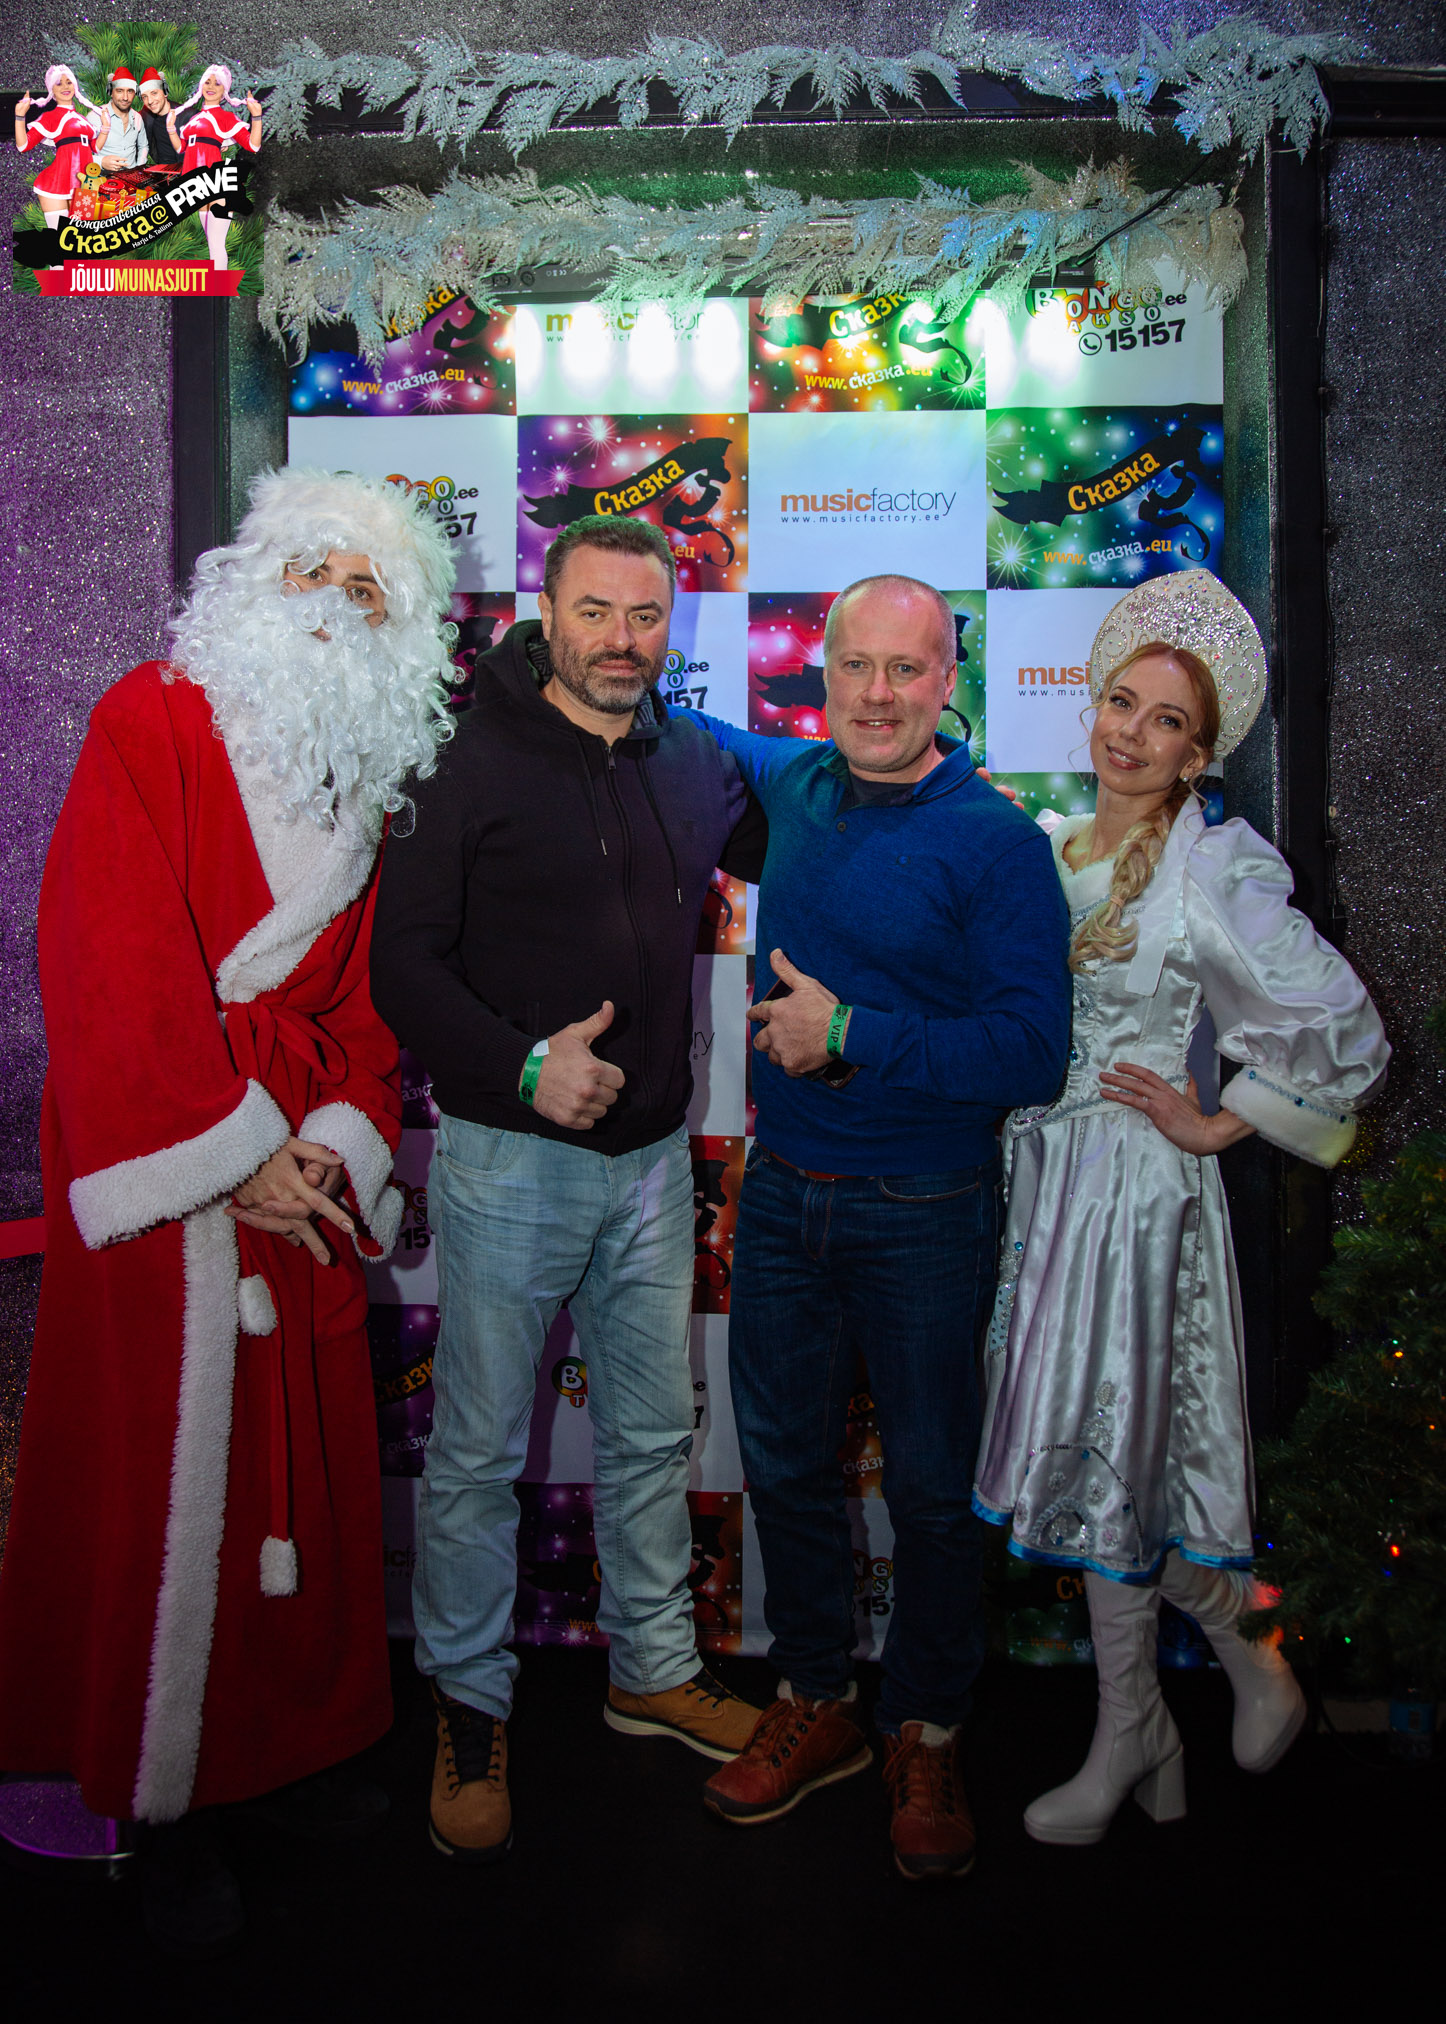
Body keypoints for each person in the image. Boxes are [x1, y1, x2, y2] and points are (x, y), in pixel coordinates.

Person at [0, 467, 458, 1953]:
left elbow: (361, 1006)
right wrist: (229, 1152)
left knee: (290, 1482)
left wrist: (328, 1144)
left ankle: (274, 1753)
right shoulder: (148, 718)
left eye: (370, 589)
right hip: (169, 1170)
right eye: (315, 569)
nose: (336, 604)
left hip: (289, 1173)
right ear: (256, 578)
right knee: (163, 1487)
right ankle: (157, 1798)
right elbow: (107, 955)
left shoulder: (367, 781)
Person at [370, 515, 770, 1866]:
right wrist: (523, 1065)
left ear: (673, 625)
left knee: (651, 1434)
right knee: (477, 1456)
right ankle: (470, 1705)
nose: (620, 639)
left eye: (645, 616)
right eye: (594, 611)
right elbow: (402, 963)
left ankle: (651, 1669)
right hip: (508, 1161)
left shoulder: (694, 759)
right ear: (546, 613)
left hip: (653, 1164)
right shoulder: (458, 756)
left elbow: (820, 832)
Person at [972, 569, 1390, 1844]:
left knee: (1117, 1463)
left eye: (1166, 721)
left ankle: (1143, 1724)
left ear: (1199, 753)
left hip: (1139, 1198)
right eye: (1121, 703)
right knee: (1090, 1461)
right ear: (1091, 706)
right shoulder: (1045, 845)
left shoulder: (1212, 865)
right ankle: (1198, 1683)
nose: (1133, 734)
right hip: (1047, 1188)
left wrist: (1222, 1117)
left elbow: (1343, 1024)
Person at [690, 575, 1072, 1880]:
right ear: (824, 673)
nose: (876, 693)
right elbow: (658, 720)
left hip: (926, 1209)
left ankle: (930, 1724)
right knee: (786, 1465)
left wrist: (849, 1031)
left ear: (948, 682)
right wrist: (542, 648)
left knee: (928, 1489)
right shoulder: (795, 782)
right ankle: (817, 1695)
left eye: (906, 670)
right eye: (855, 665)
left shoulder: (995, 843)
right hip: (785, 1196)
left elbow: (1029, 1051)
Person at [166, 63, 262, 270]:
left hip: (216, 183)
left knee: (216, 245)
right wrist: (171, 128)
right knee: (212, 243)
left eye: (217, 84)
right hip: (197, 185)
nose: (211, 87)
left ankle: (219, 286)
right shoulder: (194, 119)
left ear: (224, 89)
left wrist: (256, 117)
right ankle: (217, 285)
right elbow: (182, 148)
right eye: (207, 82)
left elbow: (253, 146)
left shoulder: (226, 118)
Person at [12, 65, 98, 249]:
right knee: (59, 247)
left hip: (85, 187)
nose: (65, 87)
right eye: (59, 84)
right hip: (56, 185)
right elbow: (23, 146)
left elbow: (95, 149)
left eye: (69, 82)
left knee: (83, 245)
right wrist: (20, 117)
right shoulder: (50, 117)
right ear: (52, 89)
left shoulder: (84, 120)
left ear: (75, 86)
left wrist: (106, 126)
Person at [88, 64, 147, 170]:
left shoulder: (137, 117)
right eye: (120, 91)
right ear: (111, 92)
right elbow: (78, 153)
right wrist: (101, 162)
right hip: (103, 176)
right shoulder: (95, 116)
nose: (125, 97)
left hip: (131, 175)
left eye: (130, 91)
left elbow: (143, 146)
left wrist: (139, 167)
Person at [137, 67, 184, 171]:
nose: (150, 101)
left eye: (154, 93)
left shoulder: (186, 115)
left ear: (165, 91)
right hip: (163, 174)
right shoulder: (145, 116)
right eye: (144, 96)